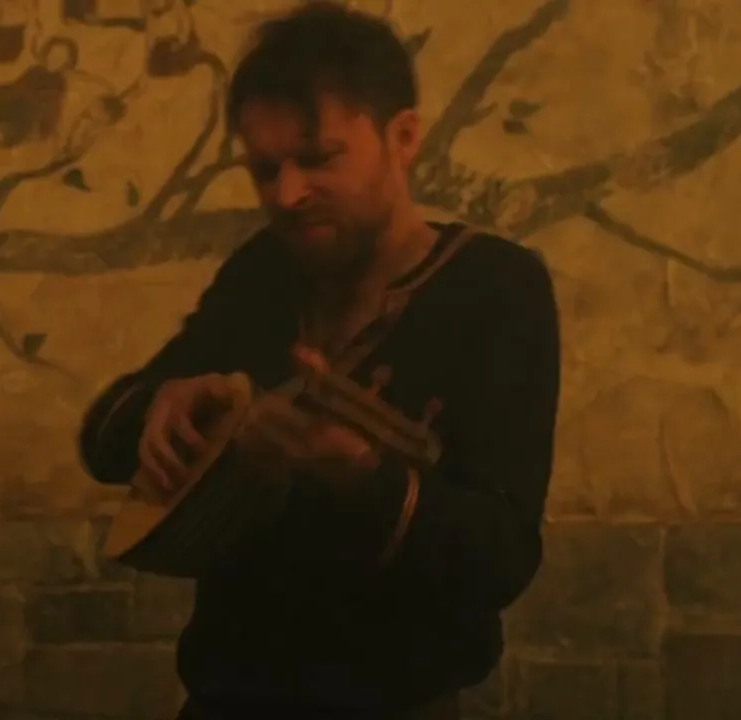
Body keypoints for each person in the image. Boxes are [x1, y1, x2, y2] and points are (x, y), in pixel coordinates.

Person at [77, 3, 561, 718]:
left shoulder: (497, 288)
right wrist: (162, 404)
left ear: (402, 137)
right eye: (265, 169)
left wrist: (361, 476)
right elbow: (103, 443)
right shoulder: (265, 271)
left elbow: (501, 558)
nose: (288, 194)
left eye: (319, 159)